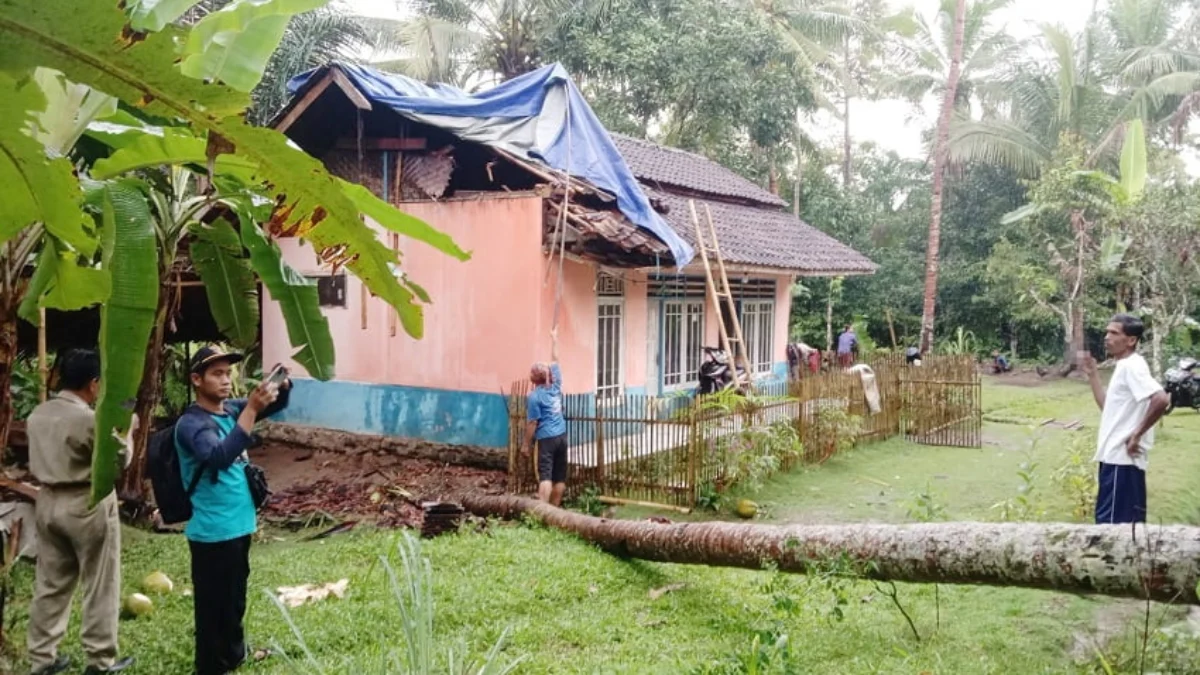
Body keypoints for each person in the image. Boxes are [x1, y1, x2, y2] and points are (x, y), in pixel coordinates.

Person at [176, 346, 290, 675]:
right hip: (212, 531)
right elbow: (219, 457)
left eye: (228, 373)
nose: (226, 380)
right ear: (197, 380)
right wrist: (252, 409)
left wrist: (280, 387)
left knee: (235, 598)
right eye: (217, 374)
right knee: (213, 604)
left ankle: (234, 654)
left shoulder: (230, 411)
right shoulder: (191, 424)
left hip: (240, 524)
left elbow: (276, 405)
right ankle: (211, 665)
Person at [27, 349, 135, 675]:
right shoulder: (90, 420)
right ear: (94, 384)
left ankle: (42, 659)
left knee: (50, 584)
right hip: (85, 501)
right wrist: (128, 431)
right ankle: (100, 661)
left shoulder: (38, 414)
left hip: (46, 501)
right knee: (100, 582)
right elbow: (119, 462)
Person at [1081, 315, 1170, 524]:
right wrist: (1093, 375)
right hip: (1115, 459)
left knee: (1110, 528)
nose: (1106, 337)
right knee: (1128, 528)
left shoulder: (1131, 366)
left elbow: (1161, 399)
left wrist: (1136, 435)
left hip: (1121, 460)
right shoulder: (1124, 366)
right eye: (1107, 332)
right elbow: (1108, 408)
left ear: (1131, 340)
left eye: (1114, 333)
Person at [522, 335, 568, 506]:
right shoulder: (556, 387)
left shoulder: (534, 397)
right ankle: (555, 511)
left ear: (533, 379)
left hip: (547, 439)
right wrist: (555, 338)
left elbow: (533, 423)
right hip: (562, 436)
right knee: (560, 477)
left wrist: (526, 444)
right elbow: (555, 359)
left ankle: (543, 511)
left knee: (546, 476)